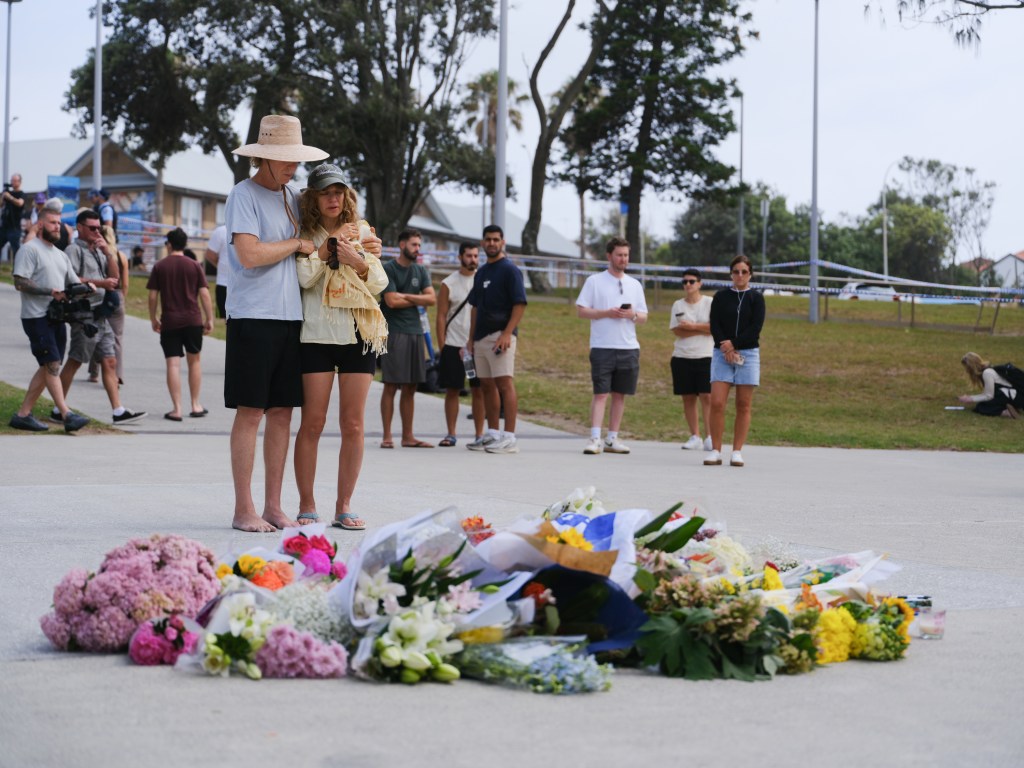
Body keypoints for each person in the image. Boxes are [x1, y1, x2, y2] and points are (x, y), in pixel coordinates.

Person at [222, 113, 327, 533]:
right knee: (251, 412)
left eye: (295, 158)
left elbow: (319, 240)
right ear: (262, 157)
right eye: (284, 158)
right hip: (253, 316)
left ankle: (272, 505)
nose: (293, 166)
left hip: (289, 317)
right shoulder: (241, 195)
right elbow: (249, 255)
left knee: (282, 412)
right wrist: (297, 244)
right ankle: (243, 508)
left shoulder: (292, 197)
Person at [293, 163, 387, 530]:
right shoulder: (303, 233)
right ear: (314, 197)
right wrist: (327, 248)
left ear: (346, 196)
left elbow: (379, 283)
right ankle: (306, 504)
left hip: (358, 334)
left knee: (353, 424)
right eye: (325, 192)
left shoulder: (363, 232)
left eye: (338, 192)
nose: (333, 198)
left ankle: (344, 505)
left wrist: (358, 261)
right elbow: (301, 278)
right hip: (315, 334)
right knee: (312, 423)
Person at [53, 209, 146, 426]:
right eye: (92, 228)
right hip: (84, 316)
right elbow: (72, 279)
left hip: (101, 315)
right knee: (76, 360)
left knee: (110, 361)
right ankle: (58, 408)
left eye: (99, 228)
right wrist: (101, 284)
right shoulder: (73, 249)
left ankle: (118, 410)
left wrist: (108, 253)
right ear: (80, 227)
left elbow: (114, 277)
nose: (97, 231)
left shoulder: (97, 249)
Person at [8, 208, 90, 433]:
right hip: (36, 317)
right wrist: (48, 291)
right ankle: (67, 414)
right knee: (52, 364)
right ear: (41, 225)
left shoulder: (60, 254)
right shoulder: (29, 250)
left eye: (59, 223)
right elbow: (19, 283)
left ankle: (23, 415)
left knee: (49, 366)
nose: (57, 226)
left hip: (57, 317)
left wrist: (90, 287)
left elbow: (73, 283)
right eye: (53, 222)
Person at [575, 236, 649, 455]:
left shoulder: (634, 284)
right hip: (602, 346)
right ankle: (595, 438)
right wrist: (606, 313)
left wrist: (632, 314)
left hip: (628, 347)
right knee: (601, 393)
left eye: (626, 255)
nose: (623, 259)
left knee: (620, 394)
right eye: (619, 255)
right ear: (609, 256)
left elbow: (644, 316)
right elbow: (581, 311)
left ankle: (612, 438)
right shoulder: (594, 281)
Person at [466, 224, 527, 454]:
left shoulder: (510, 270)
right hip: (481, 338)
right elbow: (474, 308)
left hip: (501, 337)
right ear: (483, 243)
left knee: (504, 383)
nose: (491, 243)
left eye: (496, 239)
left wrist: (507, 333)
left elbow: (519, 304)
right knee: (486, 386)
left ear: (502, 242)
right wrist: (471, 340)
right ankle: (492, 433)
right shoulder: (481, 272)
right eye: (488, 240)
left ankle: (509, 437)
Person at [147, 227, 214, 421]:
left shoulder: (160, 266)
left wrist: (153, 317)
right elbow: (204, 293)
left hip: (170, 321)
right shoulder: (194, 265)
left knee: (173, 364)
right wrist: (209, 318)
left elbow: (152, 296)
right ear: (184, 245)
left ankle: (176, 409)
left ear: (168, 244)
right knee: (194, 362)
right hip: (193, 320)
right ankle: (195, 405)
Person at [705, 254, 765, 467]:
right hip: (722, 353)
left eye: (744, 272)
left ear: (750, 274)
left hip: (747, 354)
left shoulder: (756, 298)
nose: (740, 275)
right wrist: (725, 344)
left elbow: (755, 328)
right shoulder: (721, 296)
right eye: (736, 271)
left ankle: (737, 451)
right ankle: (715, 450)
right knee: (717, 402)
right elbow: (715, 324)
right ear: (731, 274)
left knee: (743, 404)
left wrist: (735, 344)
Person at [379, 228, 436, 449]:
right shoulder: (388, 269)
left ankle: (408, 436)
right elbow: (391, 301)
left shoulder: (421, 270)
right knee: (391, 385)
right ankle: (387, 436)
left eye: (419, 245)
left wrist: (407, 296)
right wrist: (418, 299)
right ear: (402, 245)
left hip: (415, 332)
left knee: (411, 387)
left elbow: (431, 299)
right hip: (394, 331)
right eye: (414, 245)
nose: (417, 249)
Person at [436, 242, 484, 447]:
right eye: (469, 256)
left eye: (475, 256)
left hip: (477, 345)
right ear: (460, 257)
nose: (473, 259)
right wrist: (443, 345)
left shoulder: (483, 280)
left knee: (479, 390)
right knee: (452, 390)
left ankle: (480, 434)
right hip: (454, 344)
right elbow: (441, 315)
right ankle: (451, 433)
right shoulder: (449, 283)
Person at [671, 268, 714, 451]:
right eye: (685, 282)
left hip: (706, 356)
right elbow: (676, 330)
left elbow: (715, 328)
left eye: (691, 281)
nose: (688, 285)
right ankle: (694, 435)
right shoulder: (678, 305)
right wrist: (700, 329)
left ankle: (710, 436)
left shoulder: (710, 303)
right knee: (688, 398)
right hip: (682, 357)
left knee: (707, 397)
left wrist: (693, 327)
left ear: (700, 283)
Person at [958, 352, 1024, 418]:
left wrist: (970, 399)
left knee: (981, 407)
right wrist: (971, 398)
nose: (966, 371)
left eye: (967, 368)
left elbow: (989, 396)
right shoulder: (988, 370)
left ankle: (1006, 413)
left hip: (1014, 397)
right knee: (983, 404)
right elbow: (987, 393)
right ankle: (1011, 407)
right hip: (1013, 396)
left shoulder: (987, 373)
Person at [205, 224, 229, 318]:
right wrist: (222, 266)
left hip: (246, 285)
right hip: (224, 283)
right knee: (224, 319)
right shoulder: (221, 231)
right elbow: (210, 254)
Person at [1, 173, 27, 262]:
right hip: (4, 226)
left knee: (16, 250)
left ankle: (17, 271)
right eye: (12, 180)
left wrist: (10, 197)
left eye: (15, 181)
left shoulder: (22, 194)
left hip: (14, 227)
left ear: (19, 182)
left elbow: (20, 203)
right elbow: (1, 205)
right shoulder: (7, 193)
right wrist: (3, 195)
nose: (13, 182)